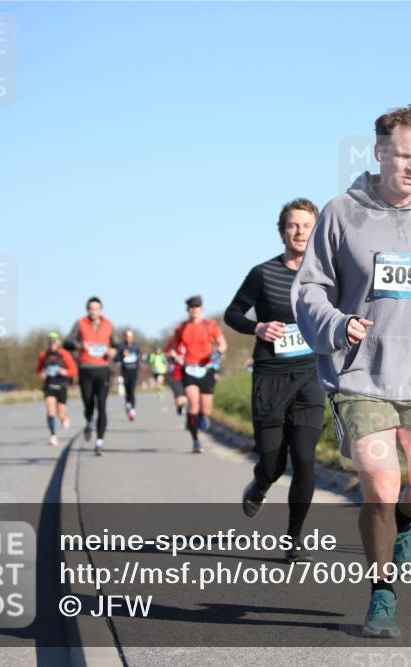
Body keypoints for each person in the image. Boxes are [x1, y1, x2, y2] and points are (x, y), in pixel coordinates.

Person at [293, 106, 411, 638]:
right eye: (402, 155)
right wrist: (337, 324)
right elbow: (310, 288)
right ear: (379, 152)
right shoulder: (341, 213)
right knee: (379, 486)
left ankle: (403, 522)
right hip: (361, 378)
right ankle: (382, 593)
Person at [226, 198, 324, 563]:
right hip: (270, 376)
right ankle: (261, 483)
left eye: (306, 226)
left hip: (310, 375)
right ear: (282, 231)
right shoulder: (263, 273)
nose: (300, 232)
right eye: (293, 225)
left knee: (305, 458)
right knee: (273, 463)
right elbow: (233, 313)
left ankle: (294, 539)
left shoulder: (326, 275)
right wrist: (259, 326)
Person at [168, 296, 227, 452]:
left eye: (197, 307)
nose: (194, 310)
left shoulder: (210, 325)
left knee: (206, 410)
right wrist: (175, 354)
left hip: (206, 369)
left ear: (202, 309)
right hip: (189, 369)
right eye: (191, 308)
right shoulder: (181, 327)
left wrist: (218, 352)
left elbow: (222, 344)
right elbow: (173, 346)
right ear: (188, 310)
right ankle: (195, 441)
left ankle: (200, 417)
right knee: (193, 403)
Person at [65, 296, 118, 456]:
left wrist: (113, 351)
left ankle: (99, 441)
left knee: (102, 405)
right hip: (86, 368)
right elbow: (66, 343)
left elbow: (117, 345)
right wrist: (79, 345)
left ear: (101, 310)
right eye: (90, 309)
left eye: (96, 308)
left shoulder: (108, 324)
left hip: (102, 369)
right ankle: (89, 420)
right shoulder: (80, 323)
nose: (93, 311)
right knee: (89, 404)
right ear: (87, 310)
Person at [36, 332, 78, 446]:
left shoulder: (64, 354)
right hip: (49, 385)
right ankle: (53, 436)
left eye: (54, 341)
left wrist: (65, 372)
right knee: (50, 410)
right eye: (50, 341)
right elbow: (39, 370)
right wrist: (42, 374)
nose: (52, 343)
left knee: (61, 414)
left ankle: (65, 417)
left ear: (58, 342)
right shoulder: (43, 355)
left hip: (62, 385)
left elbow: (74, 370)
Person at [114, 329, 141, 420]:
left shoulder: (136, 346)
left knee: (132, 390)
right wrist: (122, 355)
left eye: (130, 337)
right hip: (125, 371)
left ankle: (132, 408)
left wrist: (138, 365)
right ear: (124, 337)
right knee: (127, 390)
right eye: (127, 336)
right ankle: (128, 405)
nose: (129, 338)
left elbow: (139, 358)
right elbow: (116, 359)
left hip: (134, 371)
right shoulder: (121, 346)